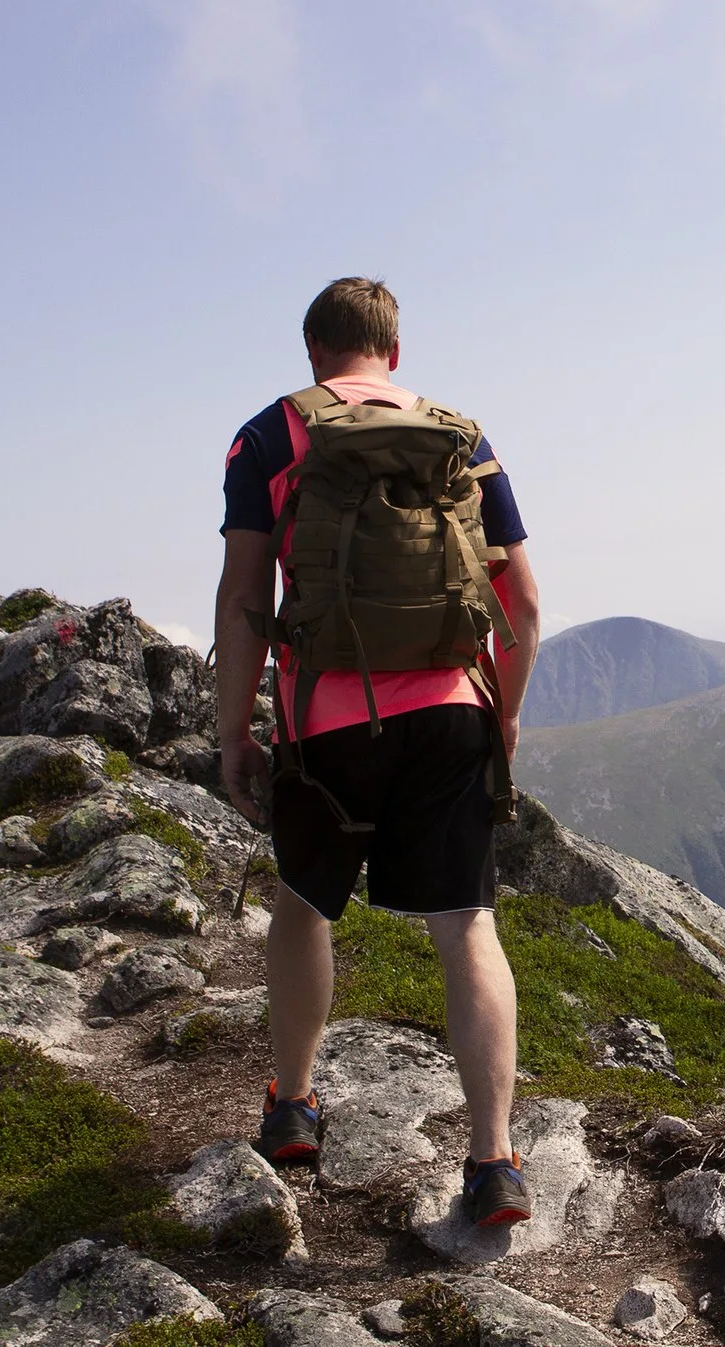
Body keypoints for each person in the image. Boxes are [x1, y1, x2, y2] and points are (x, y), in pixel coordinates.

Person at [212, 276, 542, 1227]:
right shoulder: (463, 438)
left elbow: (242, 598)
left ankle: (291, 1106)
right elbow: (520, 602)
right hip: (451, 707)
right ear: (393, 353)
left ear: (314, 351)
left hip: (325, 720)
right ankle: (493, 1162)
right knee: (468, 927)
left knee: (304, 905)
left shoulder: (271, 437)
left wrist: (236, 731)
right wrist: (502, 714)